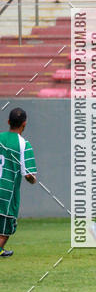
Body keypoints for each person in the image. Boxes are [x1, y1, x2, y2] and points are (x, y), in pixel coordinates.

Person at [0, 107, 37, 257]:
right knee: (6, 228)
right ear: (24, 123)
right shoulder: (24, 144)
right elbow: (29, 175)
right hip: (7, 191)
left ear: (8, 122)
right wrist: (33, 180)